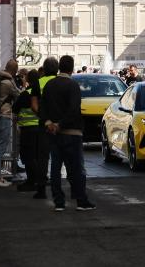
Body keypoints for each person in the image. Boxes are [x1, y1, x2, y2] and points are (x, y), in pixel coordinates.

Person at [42, 56, 96, 211]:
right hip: (72, 132)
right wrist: (61, 124)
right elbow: (73, 110)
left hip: (53, 132)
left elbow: (43, 107)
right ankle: (81, 200)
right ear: (72, 68)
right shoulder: (73, 85)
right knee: (76, 168)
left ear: (60, 67)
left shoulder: (49, 85)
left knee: (55, 168)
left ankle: (59, 202)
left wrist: (50, 124)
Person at [29, 57, 59, 198]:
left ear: (45, 69)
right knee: (62, 157)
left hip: (44, 125)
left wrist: (42, 117)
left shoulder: (38, 83)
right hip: (60, 126)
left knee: (43, 158)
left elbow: (34, 105)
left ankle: (41, 190)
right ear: (57, 69)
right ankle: (61, 188)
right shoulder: (63, 82)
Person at [0, 60, 21, 188]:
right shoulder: (8, 82)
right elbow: (18, 94)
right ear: (14, 70)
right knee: (0, 149)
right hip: (4, 116)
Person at [14, 69, 40, 191]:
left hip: (28, 128)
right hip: (40, 128)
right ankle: (39, 180)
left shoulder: (26, 94)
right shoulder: (42, 92)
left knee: (29, 156)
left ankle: (31, 182)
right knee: (38, 155)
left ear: (28, 79)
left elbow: (15, 107)